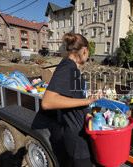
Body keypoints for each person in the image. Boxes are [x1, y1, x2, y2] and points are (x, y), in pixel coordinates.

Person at [41, 32, 98, 167]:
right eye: (88, 52)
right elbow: (47, 102)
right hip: (77, 139)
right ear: (84, 50)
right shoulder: (67, 67)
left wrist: (86, 97)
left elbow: (70, 95)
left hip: (79, 133)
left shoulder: (71, 67)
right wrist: (87, 101)